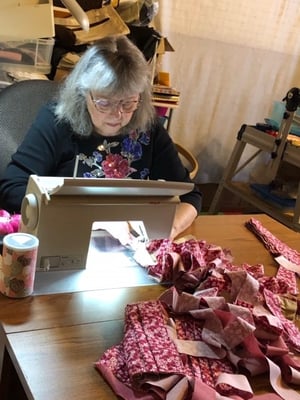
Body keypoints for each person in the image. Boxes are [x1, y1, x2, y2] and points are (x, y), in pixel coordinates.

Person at [0, 35, 202, 240]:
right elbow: (13, 189)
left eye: (128, 103)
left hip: (128, 242)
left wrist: (167, 232)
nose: (118, 115)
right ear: (83, 93)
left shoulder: (147, 127)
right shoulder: (57, 122)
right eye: (104, 103)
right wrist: (96, 222)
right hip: (65, 236)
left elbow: (190, 196)